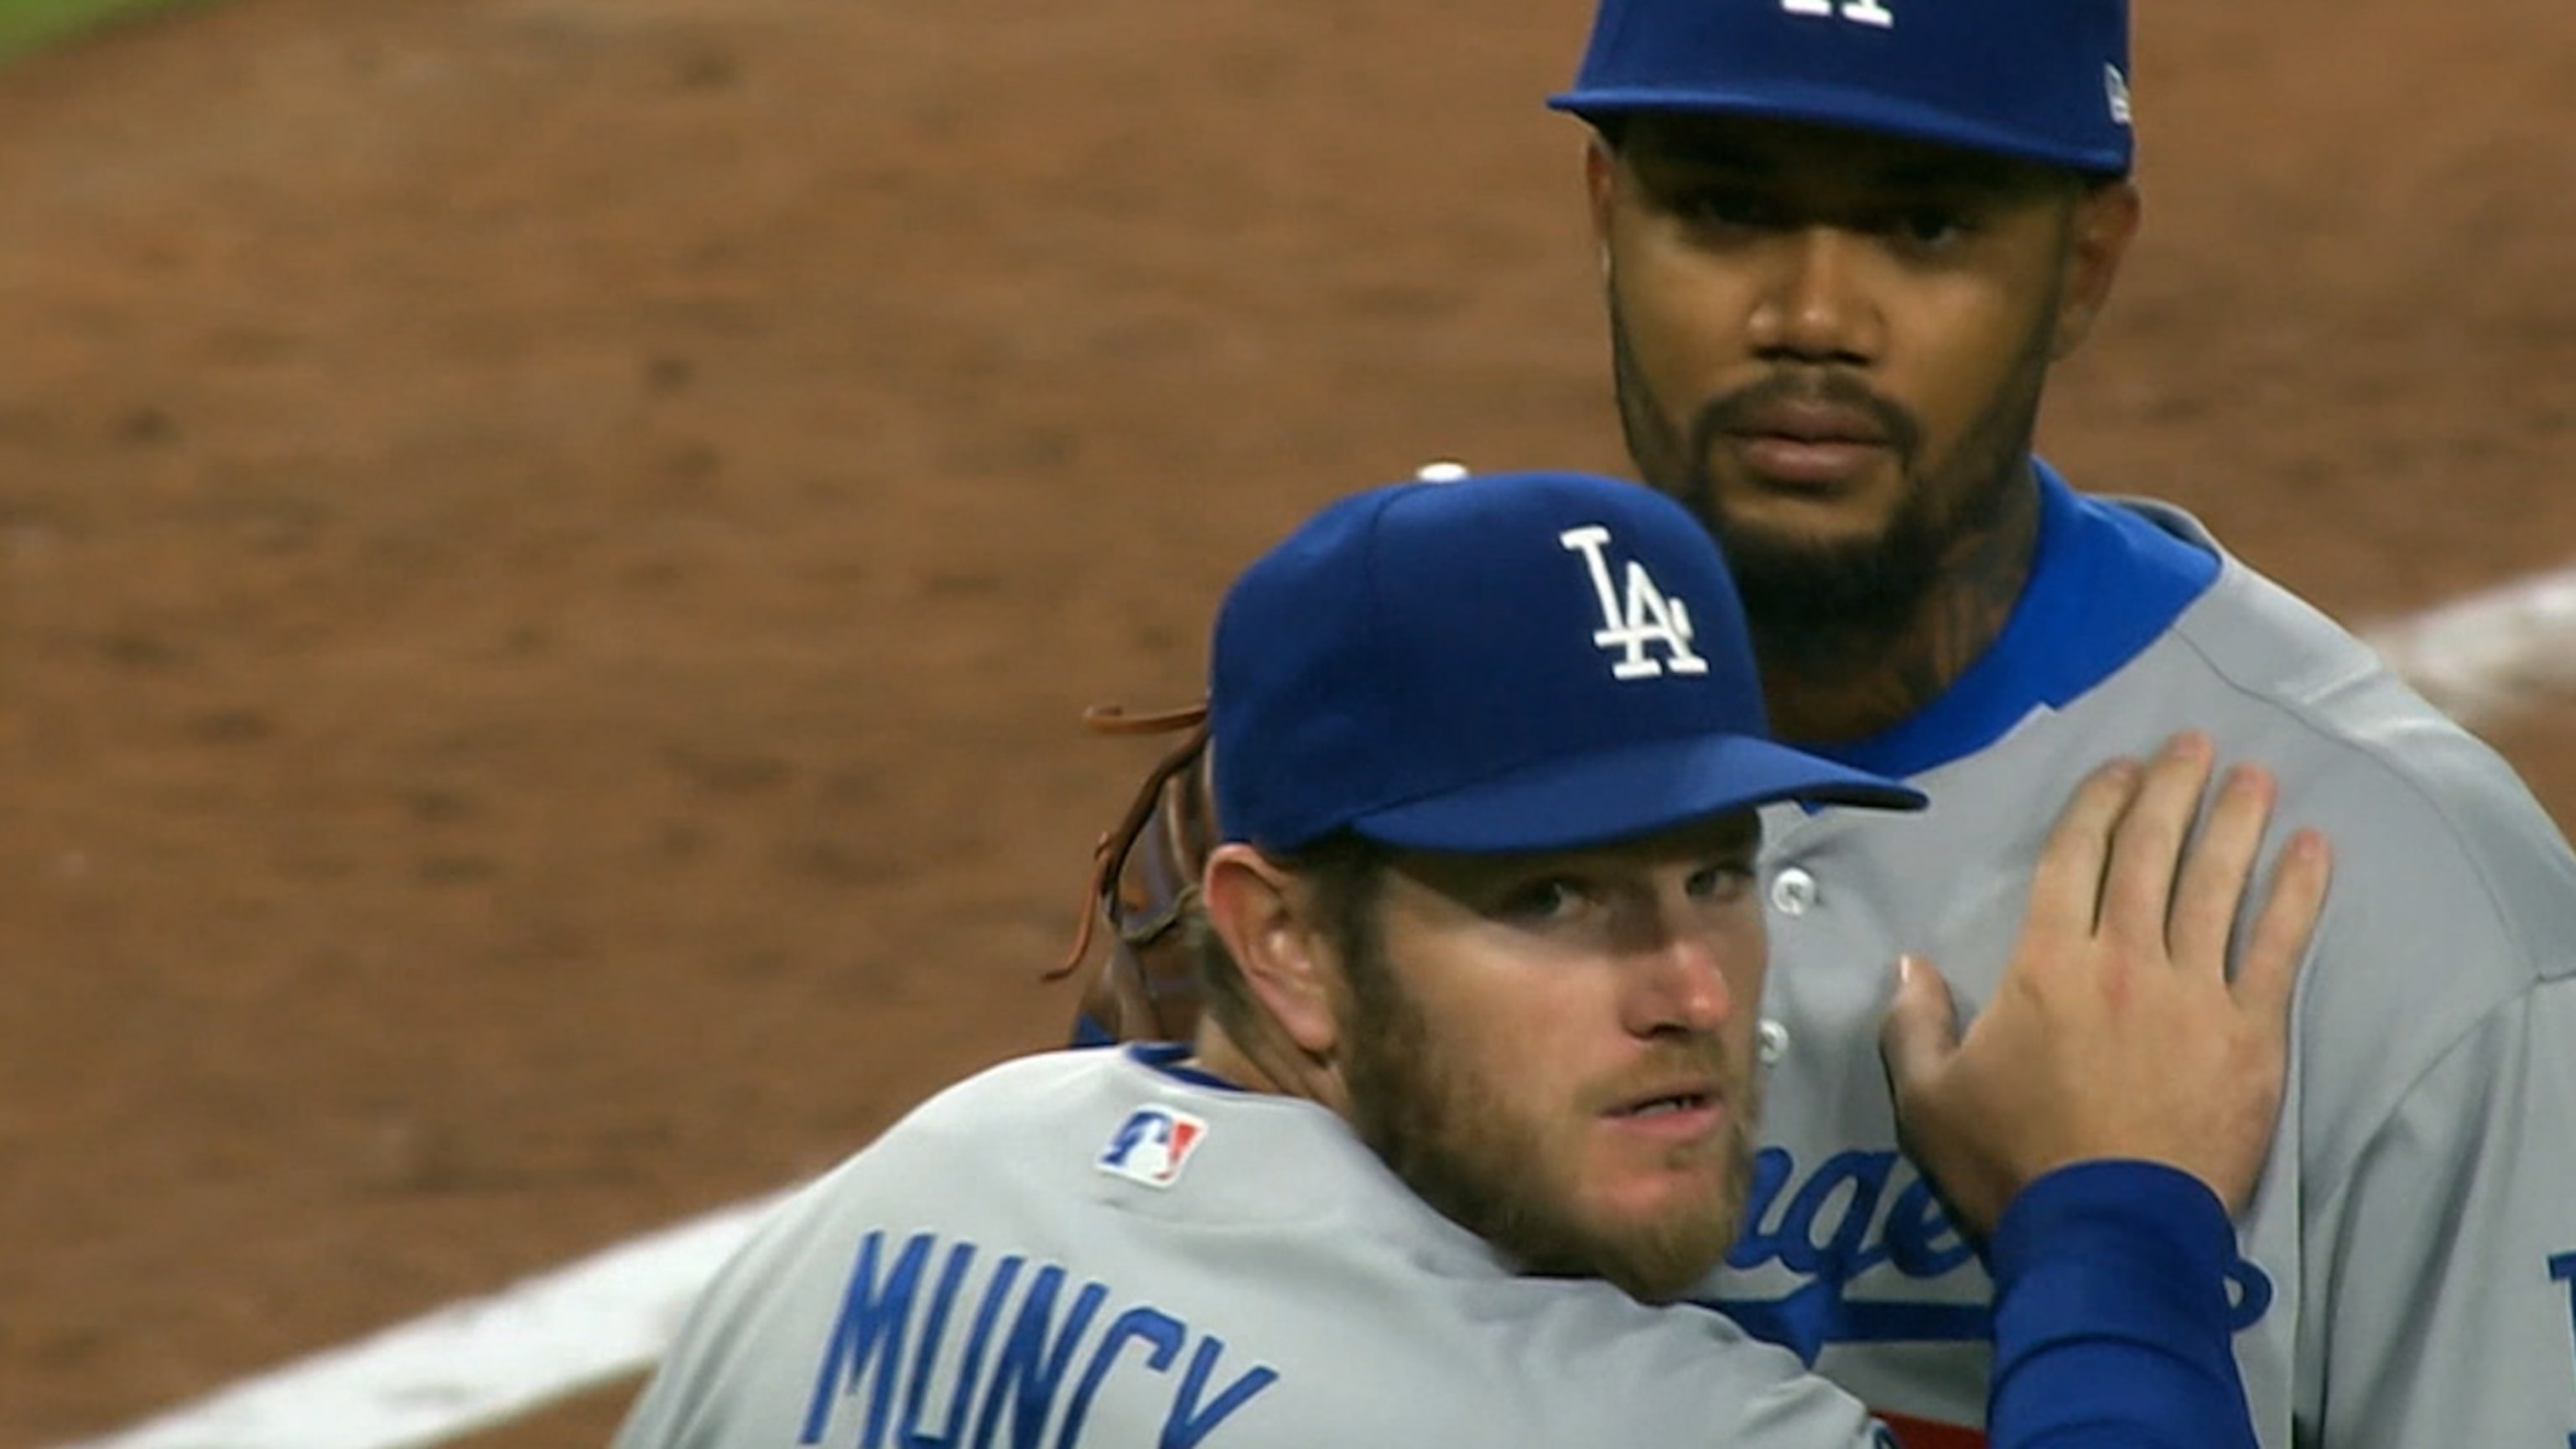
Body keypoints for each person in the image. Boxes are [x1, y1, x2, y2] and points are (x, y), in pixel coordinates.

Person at [616, 469, 2331, 1448]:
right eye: (1551, 902)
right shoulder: (1608, 1419)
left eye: (1711, 872)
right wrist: (2111, 1222)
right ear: (1281, 938)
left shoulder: (906, 1190)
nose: (1693, 988)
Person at [1535, 1, 2576, 1445]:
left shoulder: (2413, 913)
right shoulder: (1382, 821)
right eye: (1722, 208)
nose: (1813, 320)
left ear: (2083, 268)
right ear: (1607, 214)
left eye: (1927, 228)